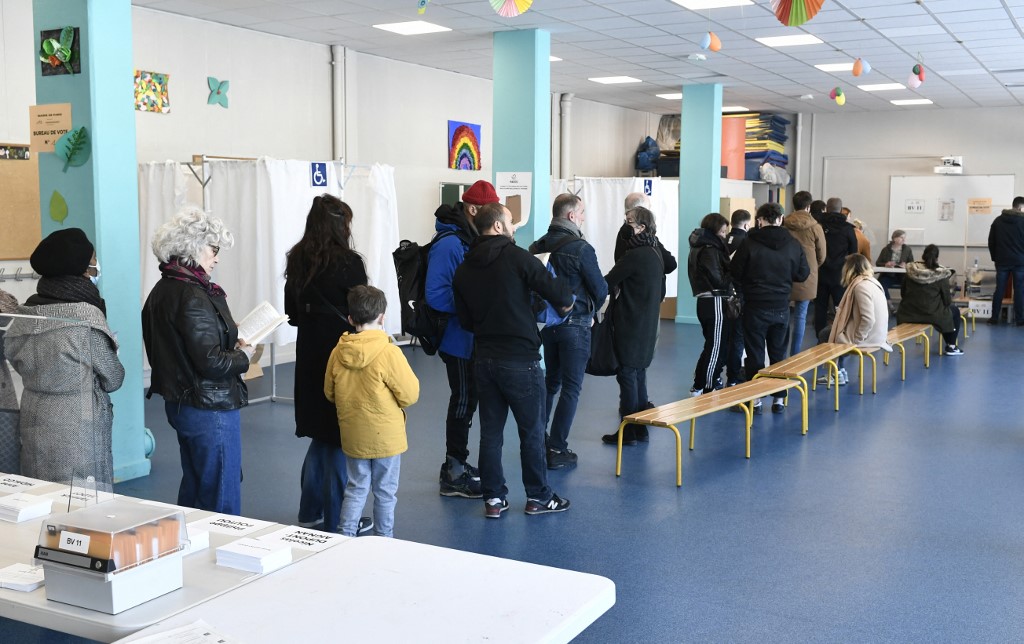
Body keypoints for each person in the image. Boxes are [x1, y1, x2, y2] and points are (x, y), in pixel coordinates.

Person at [452, 203, 574, 518]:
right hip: (521, 360)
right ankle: (539, 497)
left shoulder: (464, 269)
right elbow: (559, 294)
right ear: (496, 226)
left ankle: (493, 499)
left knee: (490, 433)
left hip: (484, 359)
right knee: (531, 431)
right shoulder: (518, 258)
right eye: (510, 222)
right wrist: (561, 304)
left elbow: (466, 321)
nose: (514, 228)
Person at [142, 208, 252, 514]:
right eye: (213, 249)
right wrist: (243, 355)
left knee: (197, 485)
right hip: (209, 405)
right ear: (194, 247)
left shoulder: (162, 290)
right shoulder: (193, 295)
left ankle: (191, 553)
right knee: (220, 492)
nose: (216, 258)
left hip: (182, 403)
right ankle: (222, 554)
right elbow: (212, 363)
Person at [5, 229, 124, 483]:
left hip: (33, 420)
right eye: (92, 260)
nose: (96, 265)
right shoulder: (85, 319)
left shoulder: (23, 317)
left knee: (41, 500)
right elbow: (114, 379)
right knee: (83, 510)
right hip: (78, 431)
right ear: (81, 269)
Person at [284, 194, 369, 533]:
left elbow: (292, 312)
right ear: (340, 224)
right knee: (337, 436)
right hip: (342, 352)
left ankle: (310, 510)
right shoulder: (350, 262)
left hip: (308, 353)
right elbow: (362, 311)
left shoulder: (297, 257)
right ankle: (338, 519)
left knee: (321, 433)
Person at [326, 286, 419, 538]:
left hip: (354, 436)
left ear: (350, 320)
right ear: (382, 317)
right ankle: (383, 540)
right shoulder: (389, 352)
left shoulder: (338, 352)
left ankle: (344, 537)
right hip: (386, 438)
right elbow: (410, 395)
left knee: (355, 488)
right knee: (385, 491)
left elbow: (329, 392)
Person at [426, 179, 499, 498]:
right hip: (457, 340)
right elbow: (436, 295)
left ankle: (458, 464)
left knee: (469, 402)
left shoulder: (468, 239)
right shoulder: (450, 244)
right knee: (463, 401)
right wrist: (478, 302)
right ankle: (453, 470)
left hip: (472, 337)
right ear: (472, 210)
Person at [528, 193, 607, 469]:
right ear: (572, 216)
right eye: (582, 212)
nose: (583, 217)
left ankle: (538, 441)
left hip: (548, 326)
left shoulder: (536, 246)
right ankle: (557, 448)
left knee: (551, 383)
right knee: (571, 388)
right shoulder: (581, 248)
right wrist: (594, 311)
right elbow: (600, 287)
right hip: (576, 326)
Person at [602, 206, 674, 444]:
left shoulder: (634, 255)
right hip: (646, 322)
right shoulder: (654, 252)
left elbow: (607, 282)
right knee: (639, 374)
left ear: (641, 227)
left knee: (627, 374)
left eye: (630, 222)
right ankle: (640, 428)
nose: (625, 226)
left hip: (630, 323)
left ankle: (628, 431)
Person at [730, 203, 809, 414]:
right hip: (781, 307)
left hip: (755, 306)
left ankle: (755, 400)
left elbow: (735, 272)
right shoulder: (793, 244)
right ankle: (779, 399)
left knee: (755, 354)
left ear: (760, 220)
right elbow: (803, 274)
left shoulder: (749, 243)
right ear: (781, 219)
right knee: (778, 353)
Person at [823, 254, 892, 386]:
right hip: (878, 334)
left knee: (826, 334)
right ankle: (840, 371)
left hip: (870, 337)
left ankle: (835, 373)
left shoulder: (861, 287)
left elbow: (868, 319)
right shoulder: (872, 282)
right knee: (833, 332)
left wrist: (857, 339)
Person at [686, 212, 733, 396]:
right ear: (714, 231)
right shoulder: (710, 249)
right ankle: (708, 385)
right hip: (715, 300)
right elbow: (719, 280)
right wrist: (733, 269)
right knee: (716, 347)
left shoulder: (699, 246)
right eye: (722, 232)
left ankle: (698, 384)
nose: (724, 236)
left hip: (706, 301)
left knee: (711, 345)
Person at [897, 244, 964, 355]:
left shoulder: (910, 271)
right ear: (937, 258)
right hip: (932, 315)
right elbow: (947, 301)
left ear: (923, 256)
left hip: (908, 314)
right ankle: (951, 346)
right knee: (954, 311)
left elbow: (903, 293)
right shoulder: (941, 274)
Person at [783, 191, 826, 356]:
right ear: (808, 206)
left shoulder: (784, 224)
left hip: (785, 273)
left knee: (783, 315)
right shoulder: (815, 227)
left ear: (794, 205)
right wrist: (812, 266)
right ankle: (795, 355)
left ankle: (780, 355)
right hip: (807, 275)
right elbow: (822, 255)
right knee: (801, 316)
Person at [814, 197, 859, 337]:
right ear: (841, 210)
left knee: (820, 307)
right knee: (841, 307)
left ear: (826, 209)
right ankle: (840, 335)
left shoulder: (818, 226)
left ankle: (820, 336)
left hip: (820, 273)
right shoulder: (848, 229)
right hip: (841, 275)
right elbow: (854, 252)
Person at [724, 209, 752, 386]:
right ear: (747, 224)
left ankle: (726, 374)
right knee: (738, 337)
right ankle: (734, 377)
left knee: (725, 336)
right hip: (739, 295)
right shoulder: (746, 242)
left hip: (723, 293)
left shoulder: (723, 240)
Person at [986, 196, 1024, 325]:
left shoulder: (998, 221)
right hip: (1020, 261)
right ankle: (1020, 319)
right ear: (1021, 207)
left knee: (999, 289)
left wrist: (995, 258)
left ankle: (994, 318)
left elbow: (991, 241)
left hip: (1002, 261)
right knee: (1019, 290)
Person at [875, 229, 914, 303]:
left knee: (909, 285)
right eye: (901, 238)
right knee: (881, 284)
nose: (904, 240)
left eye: (904, 238)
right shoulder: (886, 249)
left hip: (902, 276)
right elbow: (878, 263)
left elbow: (912, 264)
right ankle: (890, 305)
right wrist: (886, 264)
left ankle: (905, 305)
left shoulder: (907, 250)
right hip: (888, 275)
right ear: (895, 238)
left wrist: (906, 265)